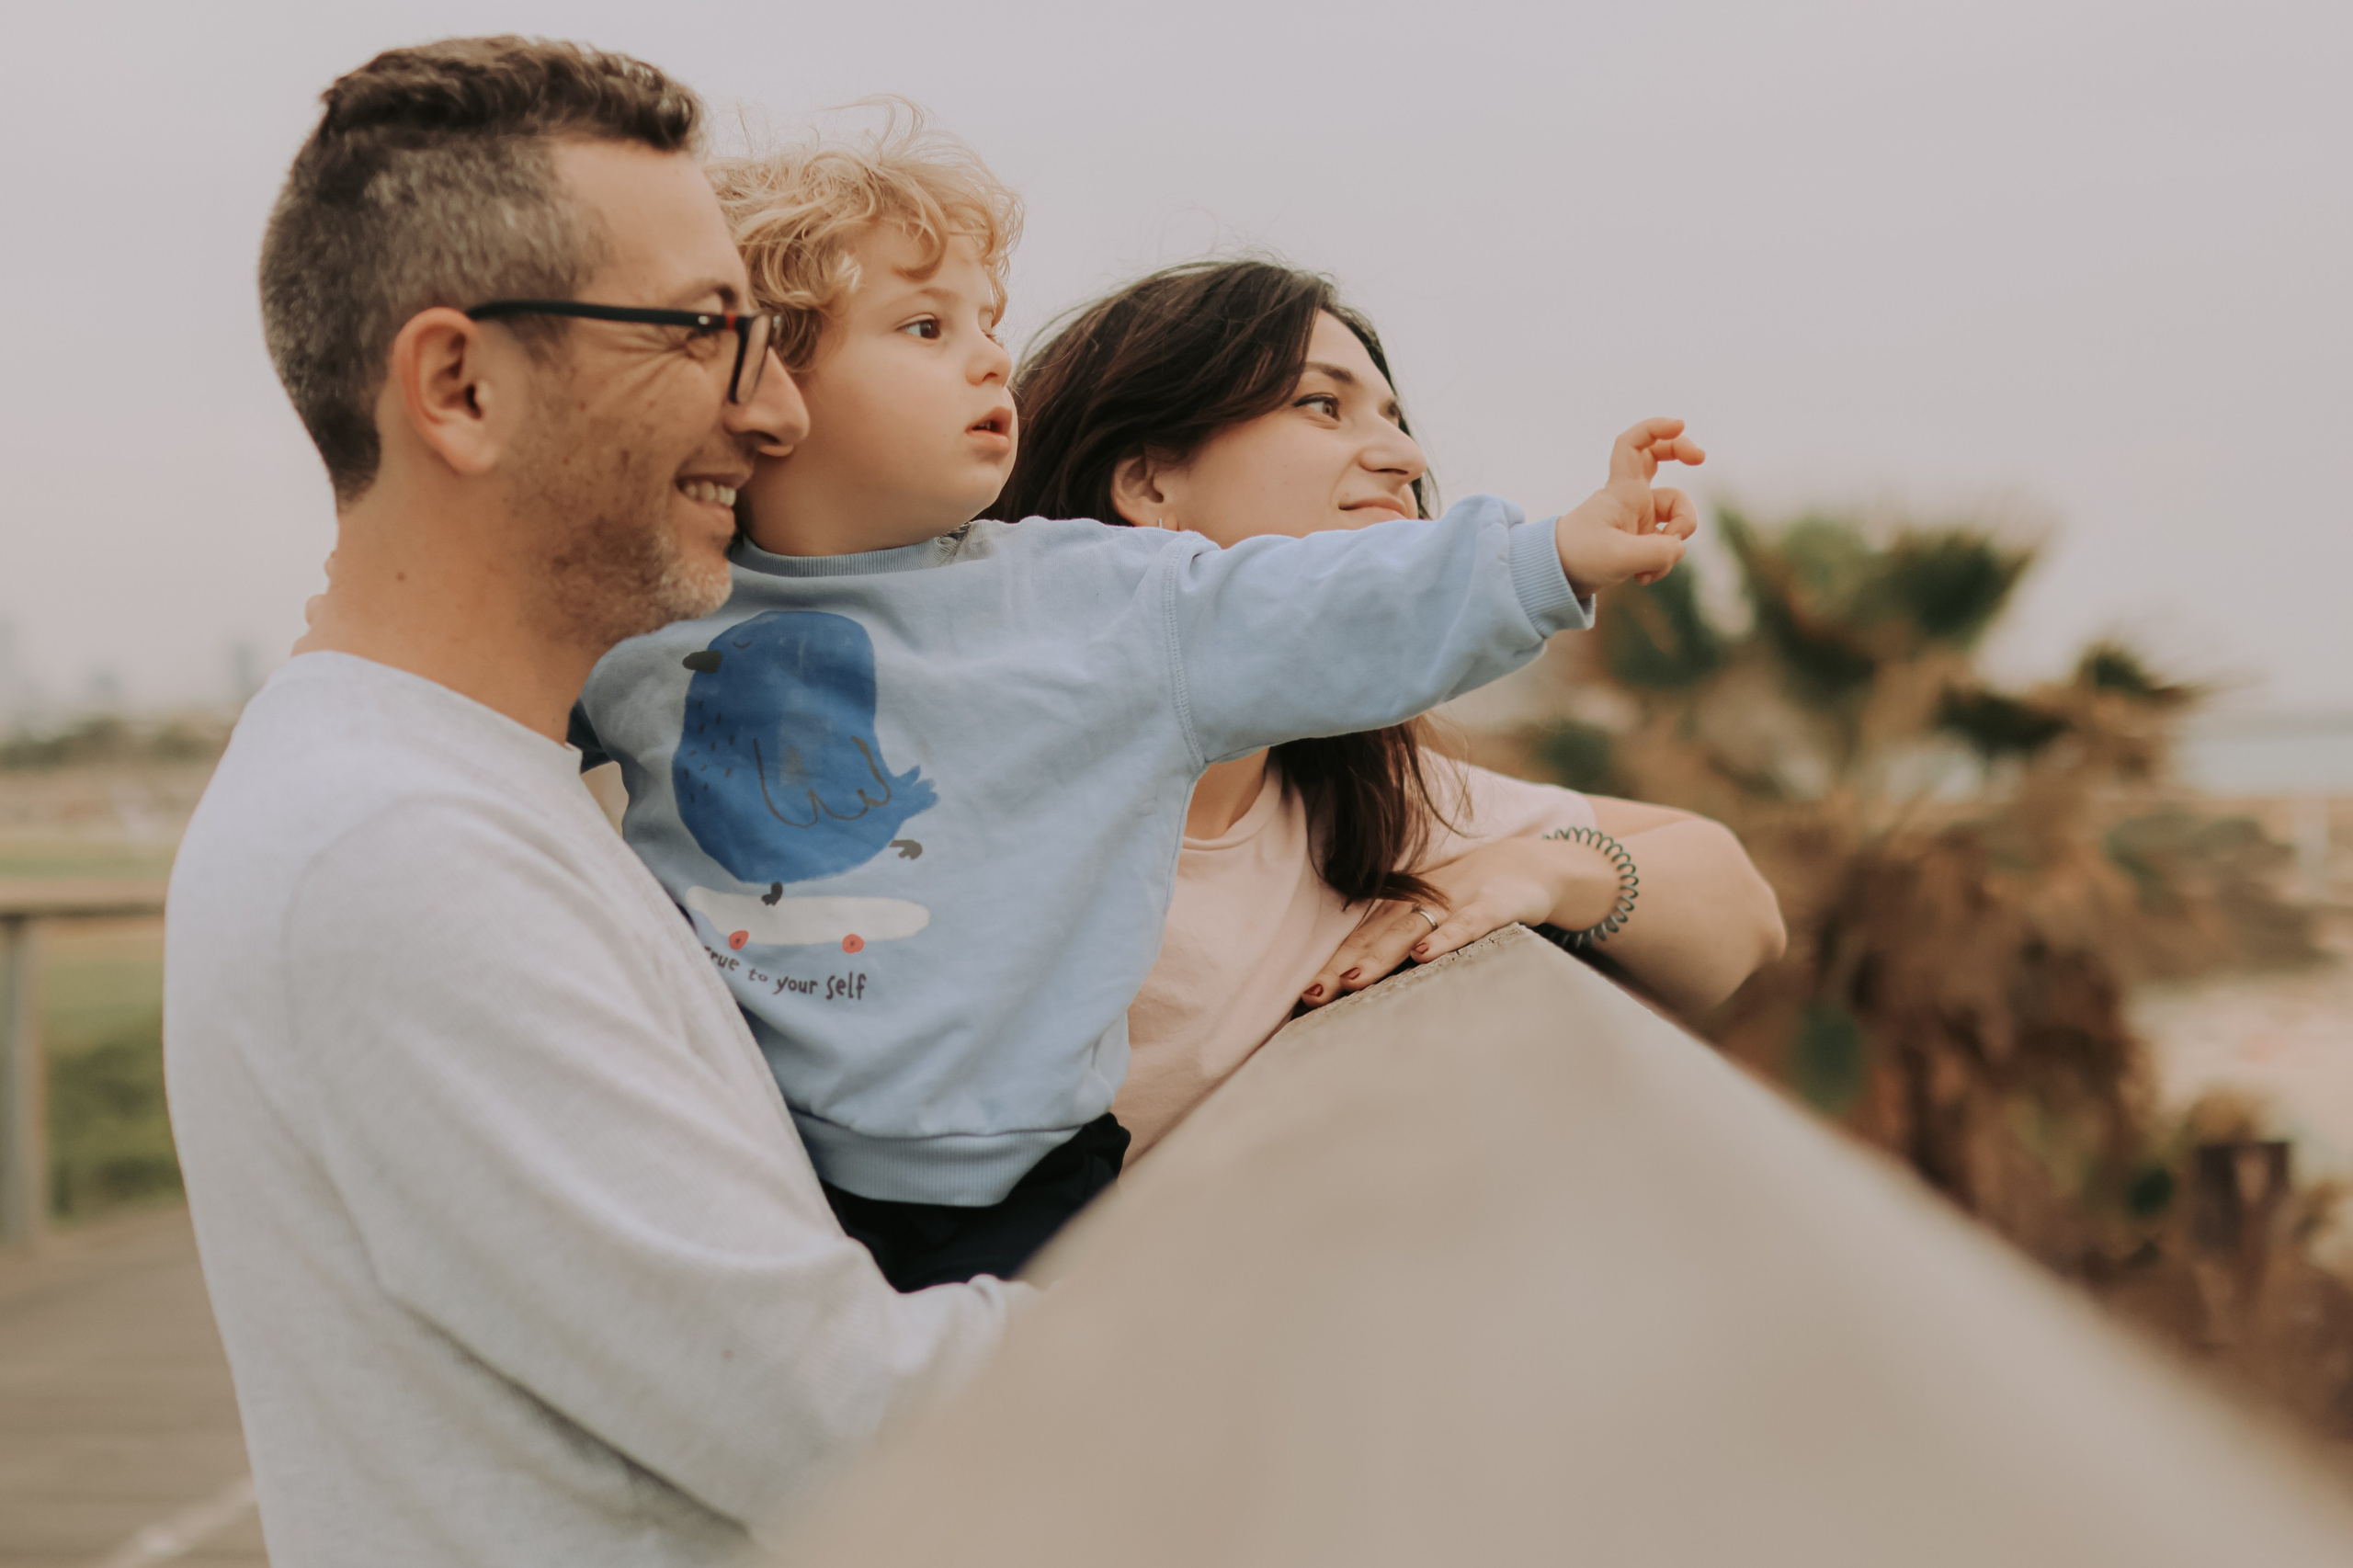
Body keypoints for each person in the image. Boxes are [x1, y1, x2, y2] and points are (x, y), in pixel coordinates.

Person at [572, 119, 1704, 1294]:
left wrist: (1554, 553)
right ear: (759, 389)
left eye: (989, 327)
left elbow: (1329, 601)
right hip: (741, 1154)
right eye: (925, 327)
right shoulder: (644, 614)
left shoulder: (1098, 600)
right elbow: (458, 715)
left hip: (1023, 1184)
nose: (985, 363)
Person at [164, 40, 1021, 1568]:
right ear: (462, 385)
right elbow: (845, 1420)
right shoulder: (394, 852)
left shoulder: (476, 786)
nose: (772, 416)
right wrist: (1277, 1287)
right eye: (703, 334)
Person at [999, 260, 1788, 1158]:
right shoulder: (990, 751)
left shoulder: (1347, 801)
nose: (1406, 456)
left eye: (1394, 418)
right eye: (1320, 405)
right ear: (1146, 484)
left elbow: (1741, 909)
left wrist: (1547, 872)